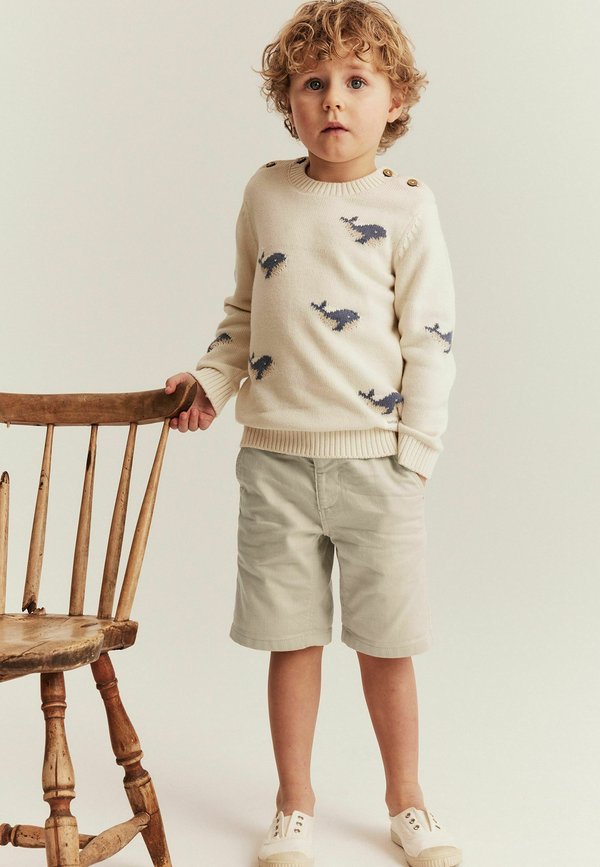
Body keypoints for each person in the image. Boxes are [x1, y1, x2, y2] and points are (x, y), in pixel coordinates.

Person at [165, 2, 461, 865]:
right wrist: (209, 381)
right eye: (313, 82)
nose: (334, 99)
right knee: (291, 641)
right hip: (275, 463)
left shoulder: (408, 208)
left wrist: (416, 456)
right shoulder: (266, 192)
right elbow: (245, 312)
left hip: (378, 467)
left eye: (357, 81)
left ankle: (406, 799)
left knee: (386, 647)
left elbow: (430, 338)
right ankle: (293, 801)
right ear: (286, 101)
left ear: (395, 100)